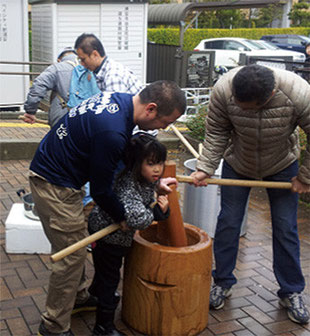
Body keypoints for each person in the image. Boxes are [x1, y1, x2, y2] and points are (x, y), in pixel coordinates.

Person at [30, 80, 186, 336]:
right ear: (151, 109)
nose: (163, 128)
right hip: (54, 183)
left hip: (65, 176)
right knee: (70, 255)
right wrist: (122, 216)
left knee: (77, 243)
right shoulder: (112, 132)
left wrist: (154, 183)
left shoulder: (120, 101)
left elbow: (120, 171)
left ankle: (79, 298)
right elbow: (102, 190)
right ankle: (53, 326)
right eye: (164, 122)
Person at [191, 64, 310, 324]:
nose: (238, 106)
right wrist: (205, 168)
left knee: (285, 227)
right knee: (228, 222)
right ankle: (222, 281)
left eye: (246, 105)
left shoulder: (299, 93)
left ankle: (291, 290)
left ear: (268, 97)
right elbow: (217, 132)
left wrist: (305, 177)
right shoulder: (224, 89)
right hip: (239, 162)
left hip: (281, 164)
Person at [88, 133, 170, 336]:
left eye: (160, 163)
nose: (158, 169)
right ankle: (103, 327)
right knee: (110, 277)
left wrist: (157, 184)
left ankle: (95, 294)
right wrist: (159, 212)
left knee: (103, 271)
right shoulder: (128, 187)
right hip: (109, 238)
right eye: (151, 164)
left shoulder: (136, 176)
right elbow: (137, 218)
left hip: (101, 229)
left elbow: (148, 186)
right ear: (136, 163)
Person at [23, 48, 78, 128]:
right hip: (88, 116)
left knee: (61, 139)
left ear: (59, 59)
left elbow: (38, 86)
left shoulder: (56, 68)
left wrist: (30, 111)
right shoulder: (89, 66)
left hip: (62, 115)